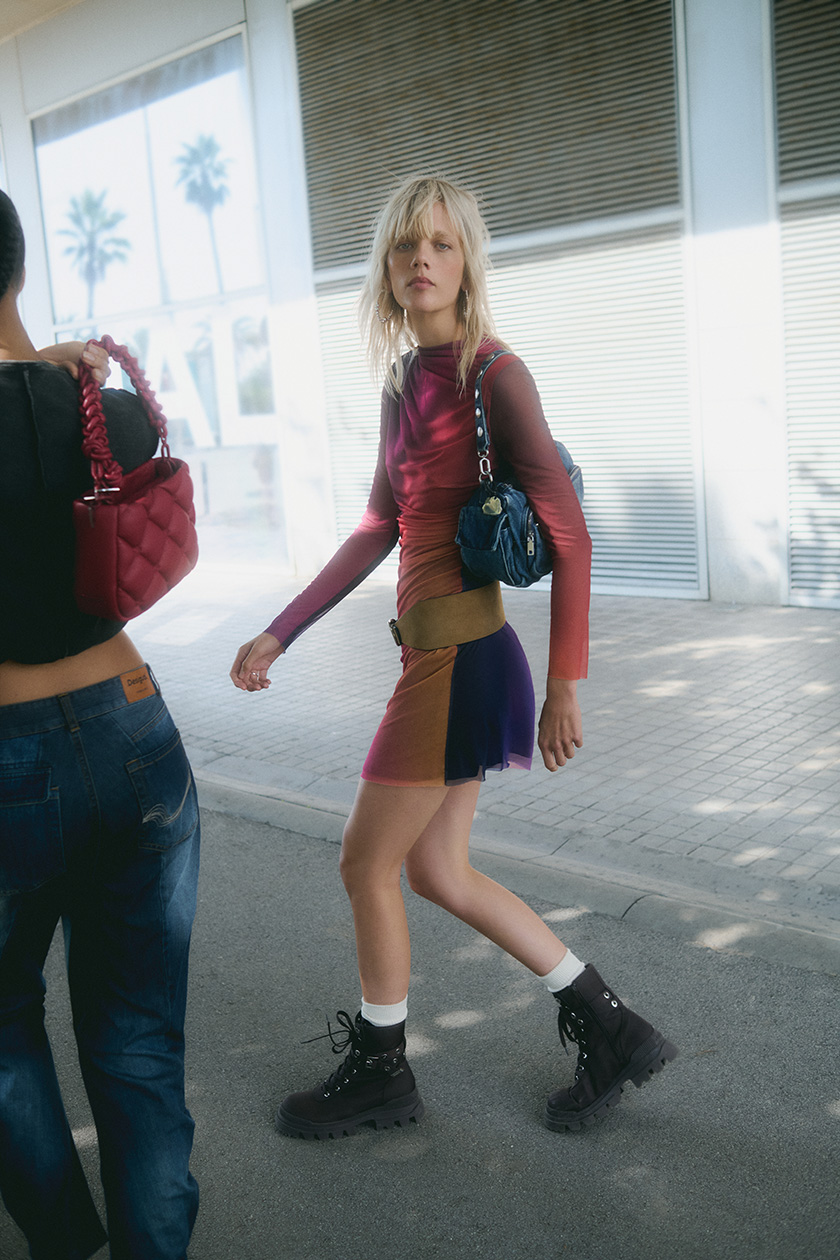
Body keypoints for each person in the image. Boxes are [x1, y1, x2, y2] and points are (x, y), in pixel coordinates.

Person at [231, 175, 677, 1139]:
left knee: (363, 863)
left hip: (463, 662)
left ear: (466, 260)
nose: (421, 261)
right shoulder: (402, 382)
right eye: (404, 248)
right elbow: (376, 527)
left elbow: (572, 535)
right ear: (388, 271)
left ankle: (384, 1072)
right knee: (437, 870)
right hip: (433, 660)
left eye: (439, 244)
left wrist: (568, 687)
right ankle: (614, 1027)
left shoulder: (497, 375)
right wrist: (281, 629)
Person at [0, 190, 200, 1258]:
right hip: (137, 736)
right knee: (138, 1050)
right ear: (19, 271)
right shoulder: (103, 409)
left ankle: (69, 1247)